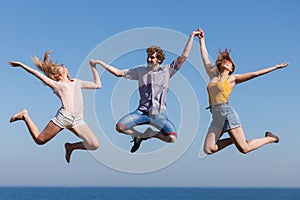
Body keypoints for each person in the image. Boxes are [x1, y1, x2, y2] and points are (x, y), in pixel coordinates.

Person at [93, 30, 200, 153]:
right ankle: (139, 136)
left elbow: (183, 57)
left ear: (159, 59)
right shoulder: (140, 71)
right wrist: (100, 63)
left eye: (152, 57)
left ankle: (149, 135)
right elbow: (118, 73)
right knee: (119, 127)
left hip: (160, 114)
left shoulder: (167, 71)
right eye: (148, 57)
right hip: (141, 112)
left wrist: (192, 36)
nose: (149, 59)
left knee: (172, 138)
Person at [197, 28, 289, 155]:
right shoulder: (213, 75)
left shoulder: (232, 79)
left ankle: (270, 138)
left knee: (244, 149)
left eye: (230, 63)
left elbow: (255, 74)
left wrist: (275, 67)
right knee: (208, 149)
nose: (227, 63)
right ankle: (233, 140)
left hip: (226, 113)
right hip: (215, 116)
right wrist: (202, 40)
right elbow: (204, 56)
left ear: (231, 69)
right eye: (226, 61)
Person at [9, 51, 101, 163]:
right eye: (59, 67)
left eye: (62, 65)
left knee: (94, 144)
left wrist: (93, 67)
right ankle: (25, 115)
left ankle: (70, 147)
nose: (63, 65)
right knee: (39, 140)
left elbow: (97, 85)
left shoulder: (77, 82)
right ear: (57, 75)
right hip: (64, 117)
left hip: (78, 120)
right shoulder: (56, 85)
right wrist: (21, 65)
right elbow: (35, 73)